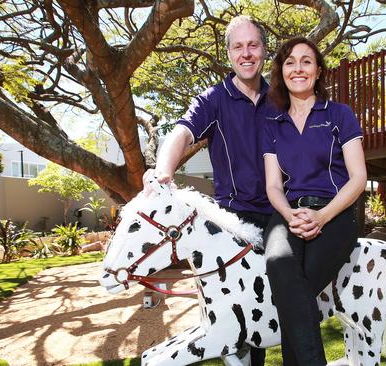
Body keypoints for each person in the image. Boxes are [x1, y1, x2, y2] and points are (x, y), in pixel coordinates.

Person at [143, 15, 272, 365]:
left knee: (286, 305)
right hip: (234, 220)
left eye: (253, 45)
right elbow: (182, 132)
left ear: (264, 50)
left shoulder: (281, 98)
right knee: (235, 316)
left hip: (280, 214)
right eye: (238, 47)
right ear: (228, 53)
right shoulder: (213, 99)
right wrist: (162, 171)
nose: (246, 53)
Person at [262, 37, 367, 365]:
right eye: (290, 62)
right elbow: (273, 185)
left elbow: (358, 178)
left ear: (318, 71)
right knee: (280, 267)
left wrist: (321, 217)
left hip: (336, 212)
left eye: (306, 61)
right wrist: (290, 215)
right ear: (282, 70)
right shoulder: (273, 124)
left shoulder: (339, 114)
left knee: (293, 292)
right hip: (289, 212)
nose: (298, 68)